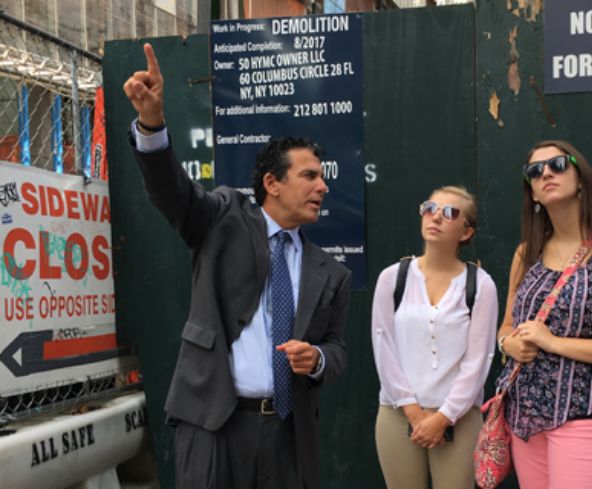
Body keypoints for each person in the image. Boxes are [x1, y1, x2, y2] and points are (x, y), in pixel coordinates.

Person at [122, 43, 351, 489]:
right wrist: (152, 125)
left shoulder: (331, 273)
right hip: (214, 427)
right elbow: (172, 192)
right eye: (309, 176)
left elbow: (338, 349)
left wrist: (318, 358)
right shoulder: (223, 218)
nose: (323, 186)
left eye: (323, 177)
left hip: (288, 434)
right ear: (272, 183)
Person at [495, 140, 592, 489]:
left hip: (582, 413)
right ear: (533, 193)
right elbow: (506, 327)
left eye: (557, 164)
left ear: (580, 177)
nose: (546, 173)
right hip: (525, 415)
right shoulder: (527, 253)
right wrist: (508, 344)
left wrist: (553, 343)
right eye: (534, 172)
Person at [371, 186, 499, 489]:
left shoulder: (480, 284)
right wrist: (413, 412)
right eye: (430, 208)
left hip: (459, 419)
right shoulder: (393, 277)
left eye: (450, 213)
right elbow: (383, 346)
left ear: (466, 232)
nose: (436, 217)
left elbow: (479, 360)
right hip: (397, 414)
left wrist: (444, 416)